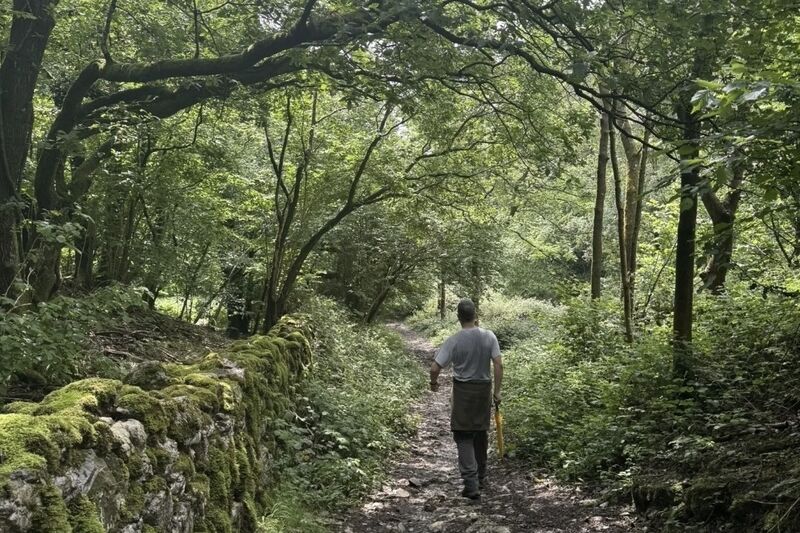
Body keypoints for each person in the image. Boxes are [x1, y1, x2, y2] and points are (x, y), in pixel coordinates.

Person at [429, 298, 503, 500]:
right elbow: (498, 364)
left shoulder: (453, 340)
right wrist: (497, 392)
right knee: (480, 431)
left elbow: (435, 368)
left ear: (459, 317)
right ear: (475, 315)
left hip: (462, 392)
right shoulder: (489, 336)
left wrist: (434, 384)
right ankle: (480, 476)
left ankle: (471, 484)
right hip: (483, 390)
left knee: (463, 435)